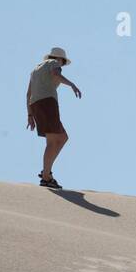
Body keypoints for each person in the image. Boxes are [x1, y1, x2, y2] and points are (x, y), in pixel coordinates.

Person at [26, 47, 82, 189]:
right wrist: (72, 85)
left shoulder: (35, 70)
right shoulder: (54, 63)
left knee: (62, 137)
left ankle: (47, 173)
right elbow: (55, 74)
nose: (62, 65)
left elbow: (28, 94)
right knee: (52, 141)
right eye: (63, 62)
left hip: (36, 104)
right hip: (48, 102)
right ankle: (46, 176)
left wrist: (30, 114)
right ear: (60, 59)